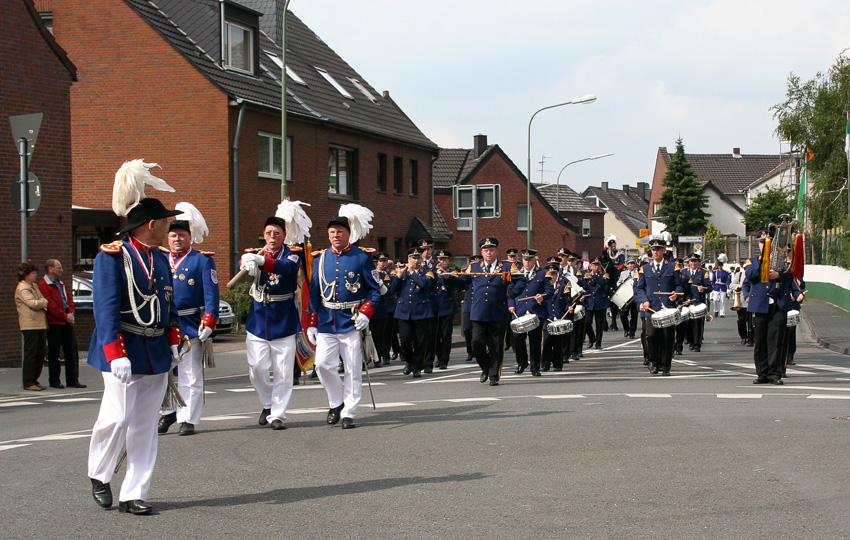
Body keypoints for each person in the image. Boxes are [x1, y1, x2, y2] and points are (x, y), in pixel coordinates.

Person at [87, 159, 184, 515]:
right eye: (166, 222)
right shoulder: (113, 256)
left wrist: (174, 338)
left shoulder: (159, 258)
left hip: (154, 348)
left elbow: (167, 301)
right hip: (123, 348)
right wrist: (115, 352)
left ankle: (134, 492)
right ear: (152, 225)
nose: (170, 227)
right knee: (118, 417)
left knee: (144, 425)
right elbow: (106, 306)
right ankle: (99, 473)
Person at [307, 205, 381, 429]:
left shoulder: (362, 257)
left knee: (352, 368)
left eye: (340, 231)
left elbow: (374, 290)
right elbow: (314, 292)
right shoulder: (320, 259)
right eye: (332, 232)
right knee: (322, 365)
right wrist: (311, 323)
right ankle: (336, 401)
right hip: (327, 319)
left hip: (351, 319)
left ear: (348, 233)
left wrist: (366, 313)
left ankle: (349, 411)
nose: (335, 235)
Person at [239, 203, 308, 430]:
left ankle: (278, 414)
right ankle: (267, 403)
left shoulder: (293, 255)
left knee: (283, 372)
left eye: (276, 233)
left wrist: (263, 262)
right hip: (258, 320)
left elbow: (286, 269)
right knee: (256, 368)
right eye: (268, 233)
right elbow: (245, 268)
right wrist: (246, 262)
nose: (272, 237)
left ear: (284, 236)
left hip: (284, 321)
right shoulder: (256, 253)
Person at [157, 203, 219, 436]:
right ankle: (168, 412)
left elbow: (211, 295)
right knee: (161, 373)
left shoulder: (202, 261)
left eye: (181, 235)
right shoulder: (160, 258)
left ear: (189, 237)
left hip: (190, 325)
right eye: (173, 236)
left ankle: (188, 418)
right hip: (162, 326)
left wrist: (209, 322)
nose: (177, 239)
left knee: (190, 374)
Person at [742, 229, 800, 385]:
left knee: (776, 340)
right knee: (760, 341)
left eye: (767, 242)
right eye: (762, 243)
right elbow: (751, 275)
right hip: (760, 304)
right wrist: (764, 260)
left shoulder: (783, 262)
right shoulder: (752, 261)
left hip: (778, 304)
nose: (764, 245)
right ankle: (762, 373)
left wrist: (779, 275)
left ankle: (775, 373)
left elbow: (792, 276)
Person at [459, 237, 511, 386]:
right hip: (479, 312)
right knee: (476, 342)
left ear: (496, 251)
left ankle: (494, 375)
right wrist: (446, 278)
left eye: (492, 250)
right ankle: (485, 367)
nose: (489, 253)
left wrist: (511, 292)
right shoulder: (474, 267)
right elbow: (461, 282)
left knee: (496, 345)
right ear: (481, 252)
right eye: (486, 250)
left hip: (498, 311)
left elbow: (519, 281)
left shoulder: (506, 266)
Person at [634, 238, 683, 376]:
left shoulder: (672, 266)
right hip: (652, 308)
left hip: (667, 308)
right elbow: (639, 288)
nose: (655, 252)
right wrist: (644, 301)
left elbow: (679, 285)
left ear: (663, 251)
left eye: (657, 250)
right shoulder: (645, 268)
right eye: (653, 250)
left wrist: (676, 295)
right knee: (651, 335)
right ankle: (653, 361)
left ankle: (666, 365)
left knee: (668, 337)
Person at [39, 259, 85, 388]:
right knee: (54, 352)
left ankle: (73, 379)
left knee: (71, 351)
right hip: (54, 322)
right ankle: (54, 380)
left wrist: (71, 312)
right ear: (50, 269)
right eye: (59, 268)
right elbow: (50, 305)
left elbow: (68, 298)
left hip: (65, 320)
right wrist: (65, 316)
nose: (61, 270)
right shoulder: (44, 285)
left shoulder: (61, 283)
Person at [508, 249, 553, 376]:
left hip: (536, 311)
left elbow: (550, 290)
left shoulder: (544, 273)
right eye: (525, 259)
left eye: (529, 259)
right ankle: (522, 362)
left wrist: (542, 297)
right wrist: (511, 305)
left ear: (534, 260)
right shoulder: (516, 273)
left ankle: (535, 367)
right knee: (517, 339)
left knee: (535, 340)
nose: (527, 262)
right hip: (519, 310)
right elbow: (509, 290)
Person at [391, 247, 435, 377]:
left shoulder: (427, 272)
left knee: (420, 342)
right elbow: (392, 290)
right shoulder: (400, 271)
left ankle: (416, 367)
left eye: (418, 258)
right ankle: (410, 362)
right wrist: (399, 277)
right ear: (409, 259)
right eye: (413, 258)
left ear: (421, 259)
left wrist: (412, 273)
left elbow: (424, 284)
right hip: (404, 311)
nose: (416, 260)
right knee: (404, 340)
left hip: (421, 311)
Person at [16, 262, 48, 391]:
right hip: (29, 324)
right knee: (31, 353)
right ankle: (28, 381)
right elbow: (33, 303)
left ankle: (35, 379)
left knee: (40, 353)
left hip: (40, 323)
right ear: (27, 275)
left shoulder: (34, 286)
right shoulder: (23, 288)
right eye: (33, 273)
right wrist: (42, 302)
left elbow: (41, 300)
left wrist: (41, 302)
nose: (36, 275)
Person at [433, 250, 461, 370]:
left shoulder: (452, 272)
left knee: (445, 335)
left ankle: (444, 359)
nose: (442, 262)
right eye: (439, 259)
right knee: (435, 334)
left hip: (447, 307)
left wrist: (446, 276)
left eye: (444, 260)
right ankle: (438, 355)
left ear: (448, 261)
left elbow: (456, 285)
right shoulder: (431, 272)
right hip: (434, 306)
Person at [683, 254, 710, 352]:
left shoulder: (703, 272)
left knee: (698, 324)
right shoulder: (684, 272)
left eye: (695, 261)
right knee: (687, 324)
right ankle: (690, 341)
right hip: (687, 301)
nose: (693, 263)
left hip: (698, 302)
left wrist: (703, 289)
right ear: (688, 262)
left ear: (698, 262)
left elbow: (709, 288)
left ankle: (697, 344)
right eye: (691, 261)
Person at [583, 258, 610, 350]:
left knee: (599, 324)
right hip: (590, 302)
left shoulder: (604, 275)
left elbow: (604, 282)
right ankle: (592, 338)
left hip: (600, 302)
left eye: (598, 265)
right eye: (594, 265)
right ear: (590, 266)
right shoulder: (586, 275)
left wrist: (594, 276)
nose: (596, 267)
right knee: (587, 322)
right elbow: (585, 287)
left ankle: (598, 342)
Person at [600, 235, 624, 332]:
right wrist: (607, 245)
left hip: (616, 274)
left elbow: (622, 263)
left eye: (614, 245)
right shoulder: (607, 254)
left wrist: (618, 267)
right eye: (611, 246)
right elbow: (603, 253)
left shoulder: (620, 254)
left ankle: (614, 320)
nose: (613, 247)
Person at [460, 255, 481, 362]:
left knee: (480, 330)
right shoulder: (468, 276)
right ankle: (470, 351)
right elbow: (459, 284)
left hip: (480, 305)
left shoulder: (481, 275)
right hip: (469, 306)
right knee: (467, 329)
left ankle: (480, 350)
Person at [617, 258, 639, 339]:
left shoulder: (638, 273)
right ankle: (626, 329)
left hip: (634, 297)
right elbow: (618, 282)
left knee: (634, 315)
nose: (632, 265)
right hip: (625, 297)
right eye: (630, 264)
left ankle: (632, 332)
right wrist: (621, 286)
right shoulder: (623, 273)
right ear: (627, 265)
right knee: (623, 315)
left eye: (633, 263)